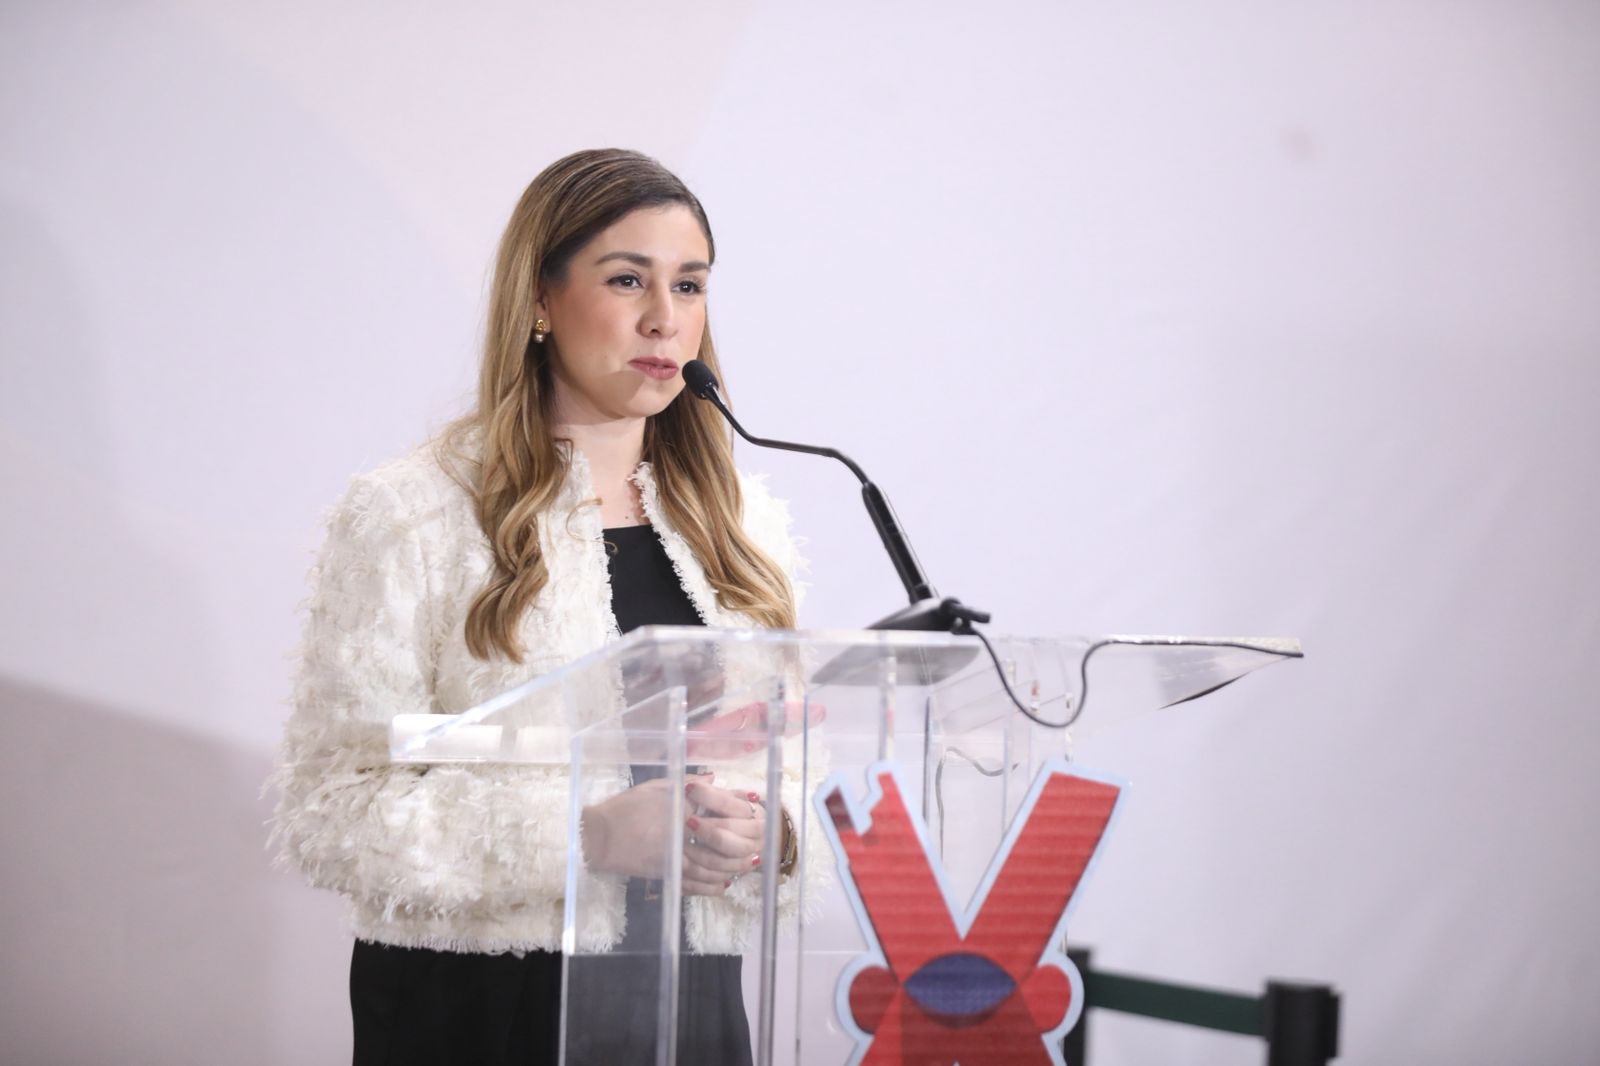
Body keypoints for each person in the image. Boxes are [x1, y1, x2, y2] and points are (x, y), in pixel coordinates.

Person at [269, 148, 818, 1065]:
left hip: (691, 1002)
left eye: (689, 285)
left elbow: (797, 765)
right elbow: (335, 807)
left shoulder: (741, 523)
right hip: (480, 1009)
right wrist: (586, 835)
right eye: (627, 279)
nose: (664, 317)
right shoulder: (413, 513)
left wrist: (776, 834)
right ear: (540, 300)